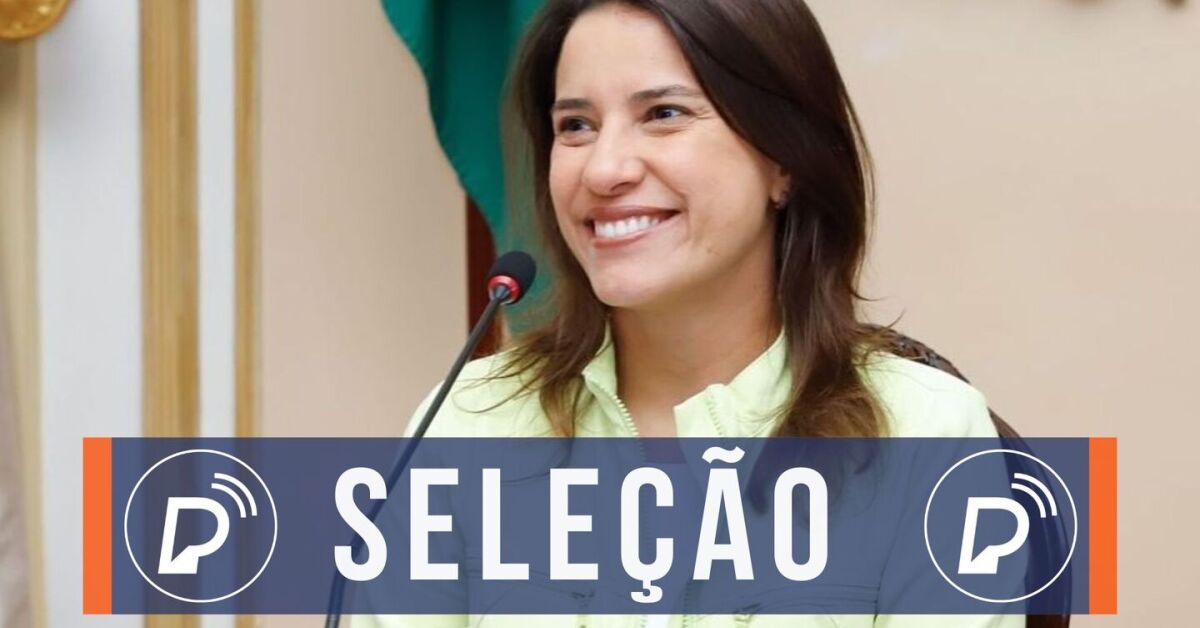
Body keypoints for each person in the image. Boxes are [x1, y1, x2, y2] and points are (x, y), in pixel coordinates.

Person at [359, 0, 1017, 626]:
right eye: (576, 126)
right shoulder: (466, 421)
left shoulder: (927, 433)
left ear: (783, 159)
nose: (604, 170)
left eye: (664, 113)